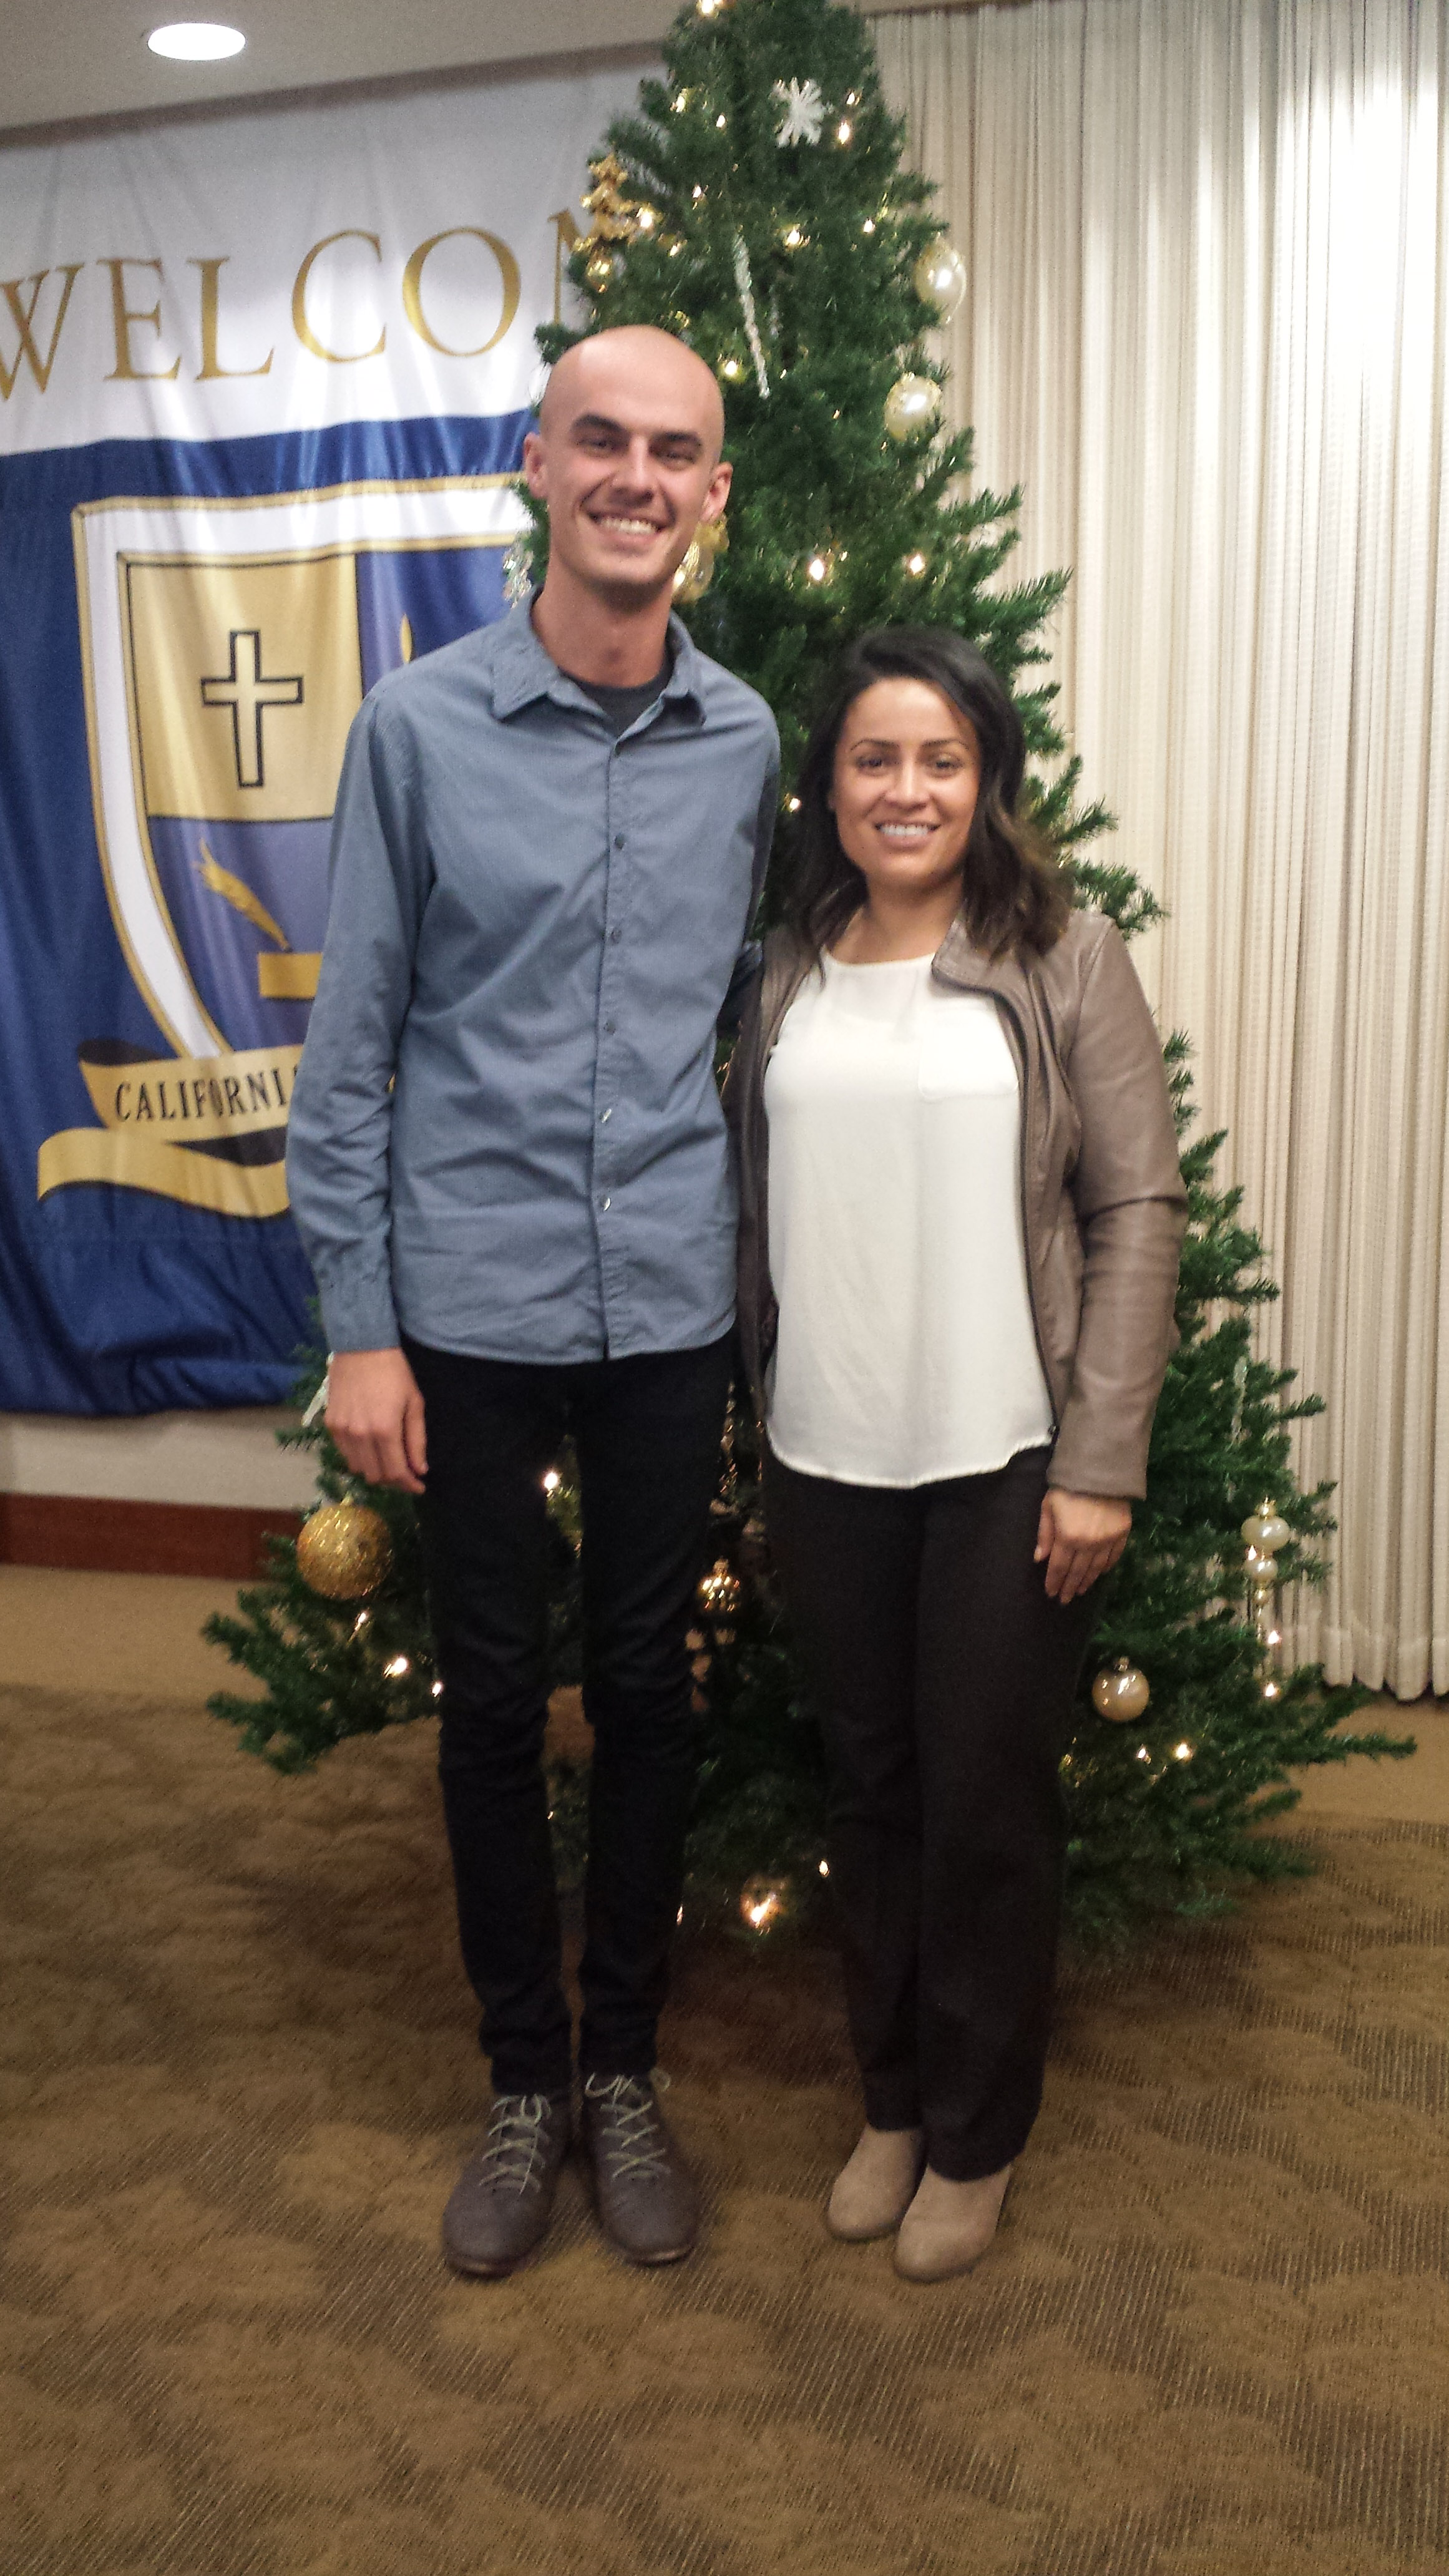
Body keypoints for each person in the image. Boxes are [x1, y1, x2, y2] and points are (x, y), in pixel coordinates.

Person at [286, 326, 779, 2278]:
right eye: (603, 441)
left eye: (675, 451)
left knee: (649, 1693)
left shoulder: (749, 746)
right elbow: (357, 1049)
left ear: (712, 495)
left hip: (666, 1301)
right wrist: (356, 1321)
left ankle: (624, 2072)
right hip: (467, 1306)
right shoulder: (416, 729)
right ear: (537, 463)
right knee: (494, 1701)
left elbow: (753, 1029)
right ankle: (520, 2081)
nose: (637, 477)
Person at [726, 627, 1185, 2283]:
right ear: (829, 787)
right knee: (871, 1788)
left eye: (936, 760)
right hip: (825, 1451)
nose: (902, 789)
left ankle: (977, 2139)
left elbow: (1132, 1207)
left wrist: (1100, 1455)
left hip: (1007, 1454)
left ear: (983, 779)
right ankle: (895, 2101)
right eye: (871, 759)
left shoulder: (1060, 954)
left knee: (984, 1805)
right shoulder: (787, 965)